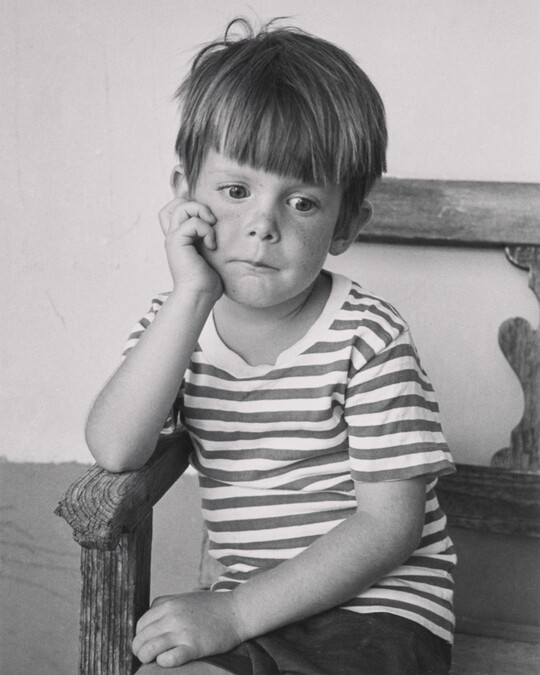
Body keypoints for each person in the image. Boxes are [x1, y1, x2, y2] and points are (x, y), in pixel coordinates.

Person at [85, 18, 456, 675]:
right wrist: (192, 296)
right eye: (235, 191)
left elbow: (388, 527)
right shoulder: (177, 325)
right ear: (184, 195)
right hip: (253, 613)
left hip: (379, 615)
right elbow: (116, 446)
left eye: (303, 203)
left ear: (346, 225)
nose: (262, 225)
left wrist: (232, 614)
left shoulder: (367, 335)